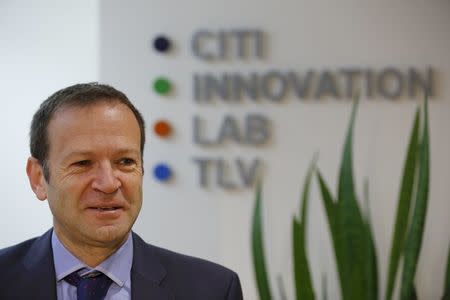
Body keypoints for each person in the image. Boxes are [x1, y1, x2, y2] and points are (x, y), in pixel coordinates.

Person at [0, 83, 243, 300]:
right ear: (38, 178)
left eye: (125, 162)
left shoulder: (214, 290)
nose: (108, 184)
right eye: (82, 163)